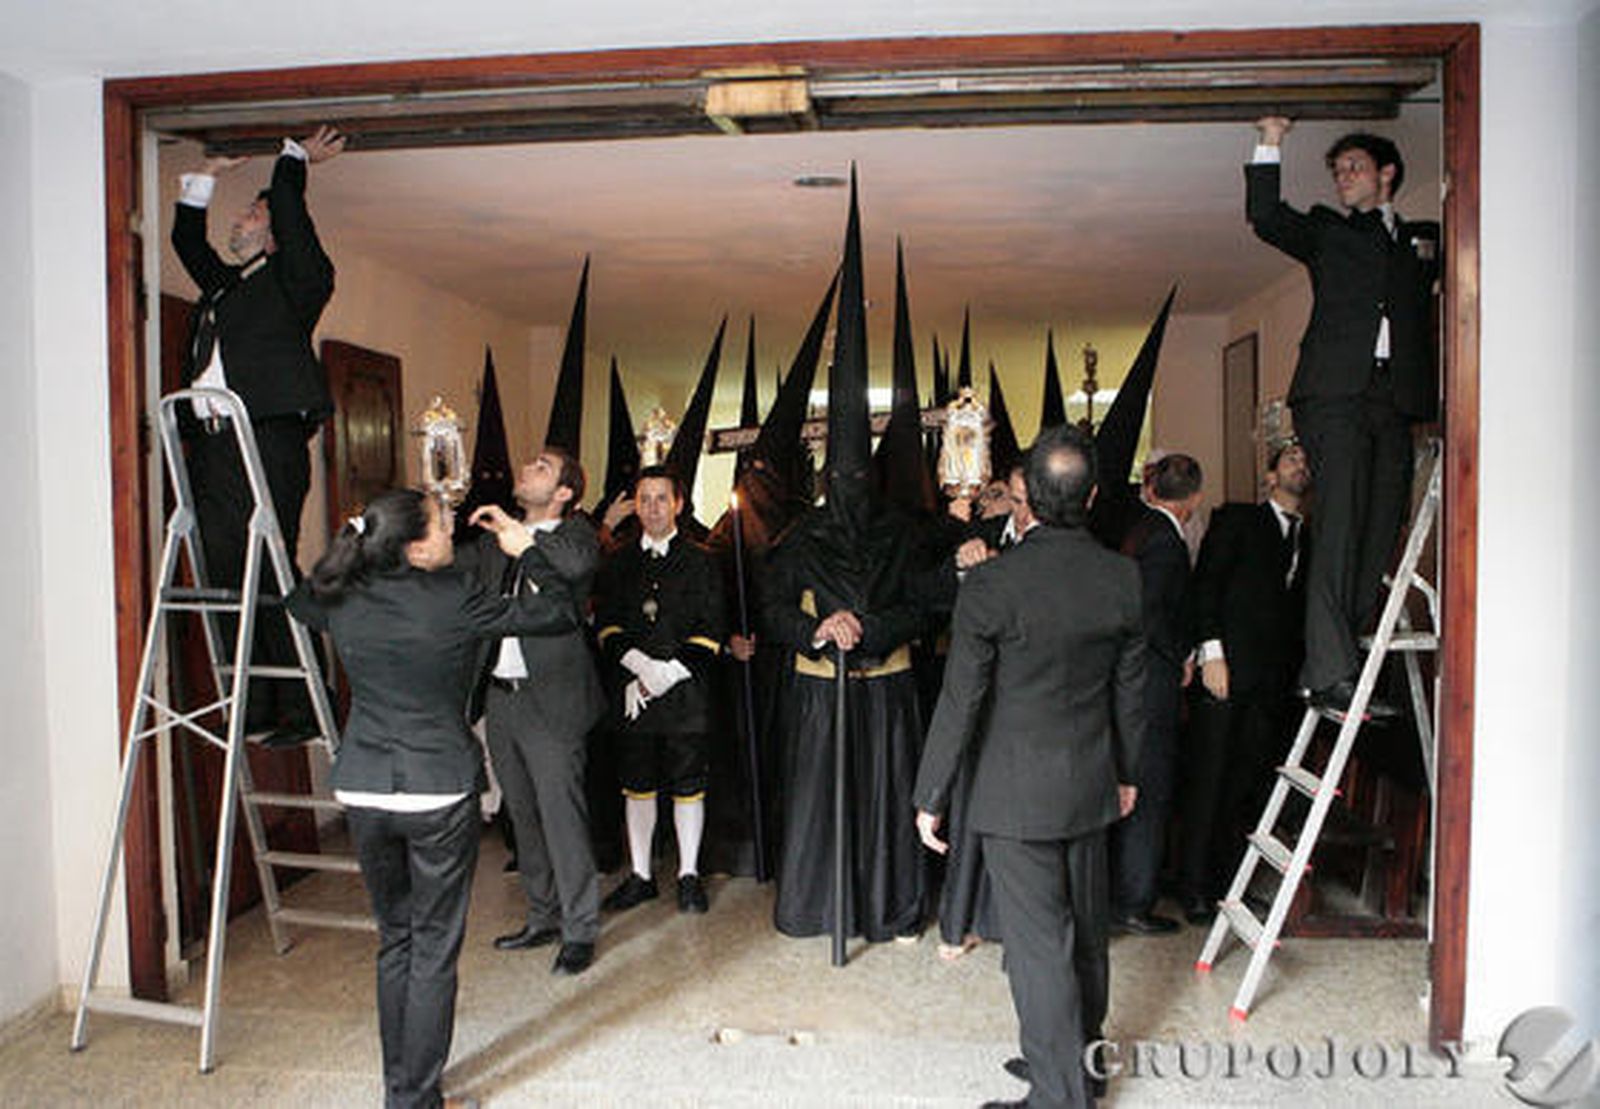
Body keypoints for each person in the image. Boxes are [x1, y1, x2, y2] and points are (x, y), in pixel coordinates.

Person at [285, 488, 578, 1109]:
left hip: (363, 786)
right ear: (416, 549)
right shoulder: (455, 599)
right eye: (444, 526)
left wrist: (354, 537)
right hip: (436, 790)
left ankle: (403, 1089)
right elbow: (559, 612)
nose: (453, 533)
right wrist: (530, 551)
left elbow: (298, 598)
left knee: (397, 940)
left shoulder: (343, 593)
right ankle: (414, 1100)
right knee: (433, 948)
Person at [915, 425, 1145, 1109]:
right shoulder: (1122, 577)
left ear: (1028, 501)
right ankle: (1081, 1066)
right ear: (1094, 495)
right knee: (1085, 932)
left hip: (1013, 791)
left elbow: (962, 698)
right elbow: (1131, 694)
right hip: (1092, 779)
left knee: (1041, 944)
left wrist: (932, 793)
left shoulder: (991, 583)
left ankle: (1058, 1094)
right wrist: (1127, 773)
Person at [1246, 116, 1439, 716]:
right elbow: (1267, 217)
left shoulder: (1422, 239)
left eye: (1353, 168)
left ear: (1387, 175)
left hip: (1396, 399)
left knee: (1380, 531)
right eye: (1337, 171)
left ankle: (1342, 666)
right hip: (1332, 397)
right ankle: (1327, 672)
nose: (1342, 178)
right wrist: (1271, 141)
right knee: (1338, 526)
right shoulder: (1329, 232)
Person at [173, 125, 344, 740]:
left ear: (273, 232)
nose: (239, 220)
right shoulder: (227, 287)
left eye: (250, 213)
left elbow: (293, 221)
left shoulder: (297, 281)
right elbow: (186, 241)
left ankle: (300, 706)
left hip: (267, 438)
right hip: (216, 444)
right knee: (222, 570)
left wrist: (292, 162)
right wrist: (209, 174)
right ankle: (256, 707)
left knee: (267, 565)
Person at [460, 448, 606, 975]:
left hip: (554, 701)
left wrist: (524, 547)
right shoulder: (495, 542)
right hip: (503, 699)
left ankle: (580, 928)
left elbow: (570, 573)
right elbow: (461, 579)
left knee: (562, 816)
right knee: (521, 816)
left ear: (565, 492)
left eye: (542, 466)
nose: (526, 467)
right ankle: (542, 916)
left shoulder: (578, 536)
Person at [1179, 442, 1310, 923]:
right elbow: (1206, 585)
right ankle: (1191, 887)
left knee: (1245, 785)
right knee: (1208, 780)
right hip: (1225, 673)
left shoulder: (1310, 536)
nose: (1302, 465)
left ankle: (1226, 887)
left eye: (1306, 460)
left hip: (1271, 686)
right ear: (1270, 476)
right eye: (1291, 458)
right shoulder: (1237, 520)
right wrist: (1211, 650)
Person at [593, 466, 727, 914]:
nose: (652, 508)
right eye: (644, 499)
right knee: (637, 784)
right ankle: (641, 876)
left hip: (686, 695)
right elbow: (608, 626)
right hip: (632, 692)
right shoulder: (617, 563)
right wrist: (640, 668)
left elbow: (711, 631)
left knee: (689, 784)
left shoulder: (703, 560)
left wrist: (664, 675)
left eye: (660, 498)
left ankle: (688, 875)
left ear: (679, 504)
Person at [1110, 452, 1202, 936]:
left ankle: (1122, 890)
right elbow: (1150, 614)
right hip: (1151, 683)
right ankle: (1135, 900)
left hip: (1126, 681)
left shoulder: (1139, 528)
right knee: (1149, 791)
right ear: (1195, 499)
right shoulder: (1166, 543)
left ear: (1151, 489)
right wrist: (1182, 655)